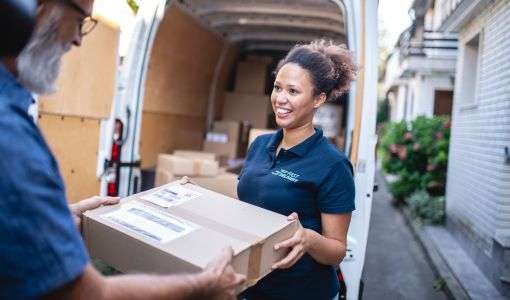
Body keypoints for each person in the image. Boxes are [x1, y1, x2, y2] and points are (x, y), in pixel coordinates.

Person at [0, 0, 245, 299]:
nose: (78, 39)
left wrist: (58, 217)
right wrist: (205, 284)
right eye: (80, 21)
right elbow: (88, 294)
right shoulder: (10, 135)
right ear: (32, 8)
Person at [238, 40, 358, 300]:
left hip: (300, 292)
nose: (280, 99)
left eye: (293, 91)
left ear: (319, 99)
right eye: (277, 88)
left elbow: (337, 249)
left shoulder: (332, 165)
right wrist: (196, 198)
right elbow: (247, 204)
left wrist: (309, 239)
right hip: (249, 286)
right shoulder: (260, 145)